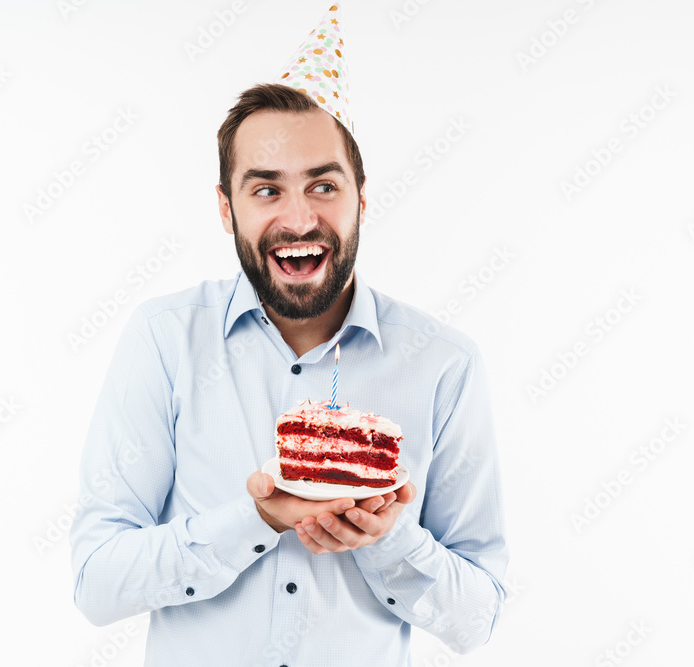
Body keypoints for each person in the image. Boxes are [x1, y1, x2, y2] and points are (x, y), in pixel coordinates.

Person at [69, 6, 508, 666]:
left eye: (323, 185)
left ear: (361, 197)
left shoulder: (445, 365)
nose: (298, 217)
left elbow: (478, 618)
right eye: (266, 189)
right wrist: (261, 518)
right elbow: (97, 582)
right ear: (227, 208)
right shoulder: (165, 339)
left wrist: (389, 539)